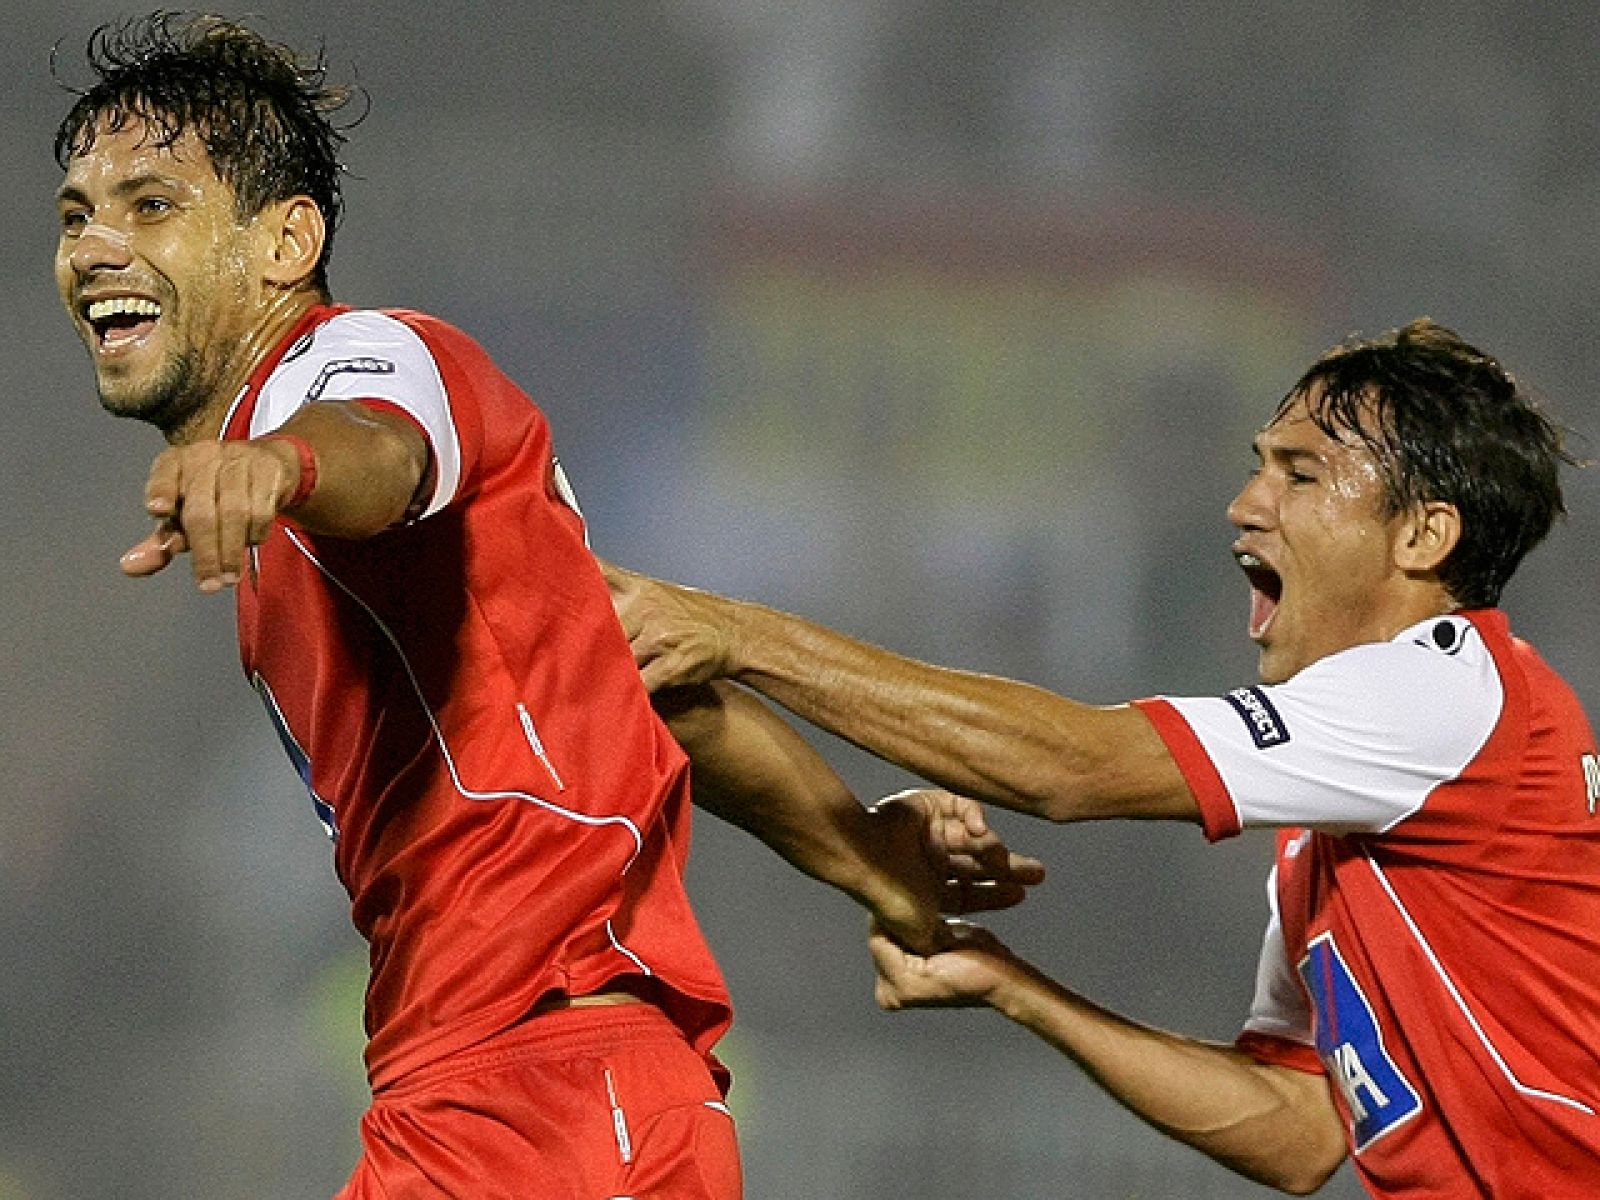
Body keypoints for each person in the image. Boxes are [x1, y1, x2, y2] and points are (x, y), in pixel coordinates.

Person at [52, 14, 1039, 1199]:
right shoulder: (312, 528)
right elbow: (641, 688)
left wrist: (282, 466)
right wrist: (865, 857)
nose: (95, 246)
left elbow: (377, 447)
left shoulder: (362, 361)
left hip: (548, 1088)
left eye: (150, 204)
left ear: (285, 239)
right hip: (473, 1091)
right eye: (76, 215)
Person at [607, 318, 1600, 1197]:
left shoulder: (1441, 688)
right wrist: (1010, 984)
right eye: (1258, 463)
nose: (1244, 503)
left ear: (1424, 534)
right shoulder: (1346, 810)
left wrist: (739, 634)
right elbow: (1297, 1131)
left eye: (1300, 474)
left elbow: (1070, 765)